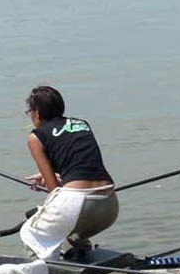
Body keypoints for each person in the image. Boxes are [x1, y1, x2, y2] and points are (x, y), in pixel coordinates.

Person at [19, 86, 119, 259]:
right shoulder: (82, 124)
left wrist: (49, 179)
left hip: (77, 204)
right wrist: (57, 177)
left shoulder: (36, 137)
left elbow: (54, 190)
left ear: (37, 112)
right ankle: (83, 263)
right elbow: (80, 166)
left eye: (30, 111)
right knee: (73, 235)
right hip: (109, 205)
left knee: (31, 235)